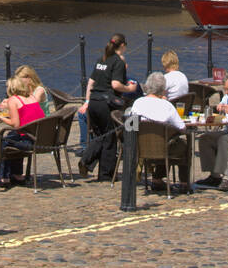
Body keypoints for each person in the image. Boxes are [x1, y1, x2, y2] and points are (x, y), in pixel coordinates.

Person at [78, 34, 137, 179]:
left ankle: (87, 162)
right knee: (109, 136)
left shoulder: (102, 59)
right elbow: (115, 85)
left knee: (100, 135)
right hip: (106, 103)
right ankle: (105, 173)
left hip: (94, 101)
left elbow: (91, 82)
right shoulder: (118, 62)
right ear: (122, 45)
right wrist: (130, 89)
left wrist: (86, 102)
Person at [129, 72, 189, 191]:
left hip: (142, 147)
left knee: (164, 141)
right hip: (163, 148)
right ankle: (184, 182)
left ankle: (157, 179)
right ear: (163, 89)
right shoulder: (166, 105)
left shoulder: (137, 103)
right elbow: (182, 128)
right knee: (183, 145)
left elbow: (130, 126)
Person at [0, 76, 46, 186]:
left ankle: (4, 177)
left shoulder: (13, 100)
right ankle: (17, 174)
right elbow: (26, 115)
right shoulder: (31, 97)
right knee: (14, 136)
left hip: (29, 142)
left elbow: (15, 124)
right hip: (42, 139)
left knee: (6, 140)